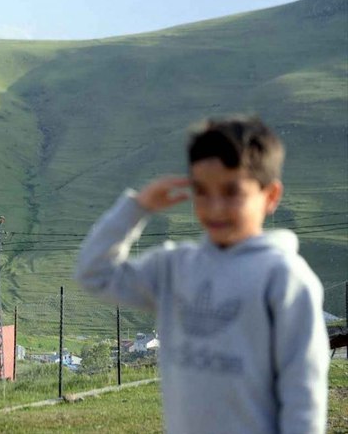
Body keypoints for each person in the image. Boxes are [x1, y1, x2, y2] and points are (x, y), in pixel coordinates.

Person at [74, 116, 329, 434]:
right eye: (202, 191)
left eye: (231, 191)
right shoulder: (175, 267)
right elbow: (94, 274)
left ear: (271, 195)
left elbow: (304, 394)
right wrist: (137, 207)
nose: (215, 207)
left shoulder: (284, 278)